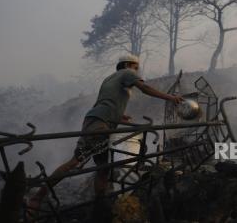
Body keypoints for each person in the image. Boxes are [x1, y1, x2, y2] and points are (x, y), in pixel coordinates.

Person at [27, 54, 183, 211]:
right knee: (76, 161)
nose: (137, 71)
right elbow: (145, 88)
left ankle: (99, 205)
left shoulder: (109, 79)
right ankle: (38, 197)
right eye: (136, 68)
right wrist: (170, 98)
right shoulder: (128, 73)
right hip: (99, 124)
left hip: (98, 121)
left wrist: (119, 117)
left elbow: (103, 103)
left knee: (103, 168)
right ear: (129, 65)